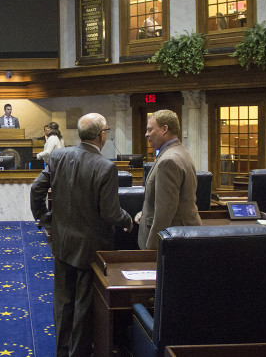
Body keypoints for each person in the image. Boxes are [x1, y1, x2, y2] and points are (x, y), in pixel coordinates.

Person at [30, 112, 133, 357]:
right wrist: (127, 220)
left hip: (63, 244)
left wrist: (45, 218)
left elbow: (37, 189)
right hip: (91, 249)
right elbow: (110, 213)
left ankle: (62, 352)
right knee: (83, 309)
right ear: (102, 135)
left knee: (63, 304)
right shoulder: (106, 167)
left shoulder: (59, 156)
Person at [134, 109, 201, 250]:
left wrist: (153, 247)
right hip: (183, 233)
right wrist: (145, 213)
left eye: (150, 129)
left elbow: (165, 211)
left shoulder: (168, 160)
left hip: (170, 238)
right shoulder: (180, 151)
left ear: (165, 129)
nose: (146, 134)